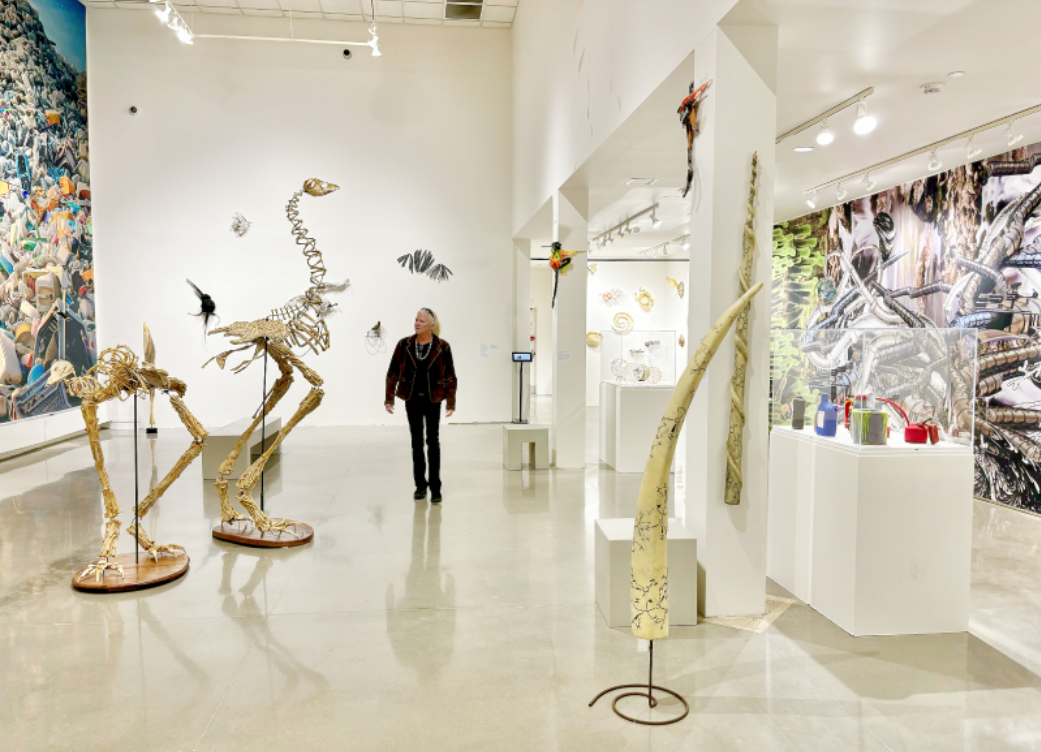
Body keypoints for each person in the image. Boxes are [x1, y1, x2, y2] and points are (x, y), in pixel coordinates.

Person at [385, 308, 457, 503]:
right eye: (416, 320)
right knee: (417, 443)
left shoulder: (443, 347)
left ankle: (435, 487)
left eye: (422, 321)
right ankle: (420, 486)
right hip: (412, 400)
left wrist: (451, 402)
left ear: (432, 325)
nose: (417, 323)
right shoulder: (404, 345)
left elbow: (450, 376)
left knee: (432, 443)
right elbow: (392, 372)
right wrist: (389, 398)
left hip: (433, 400)